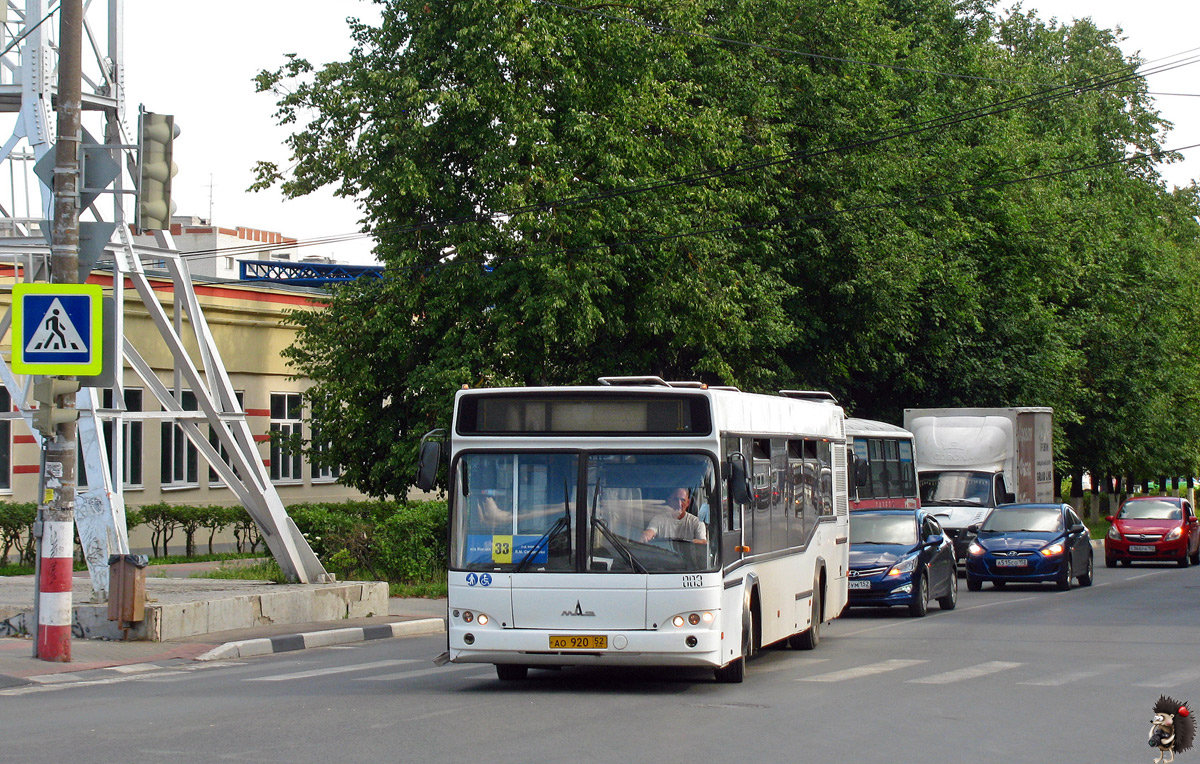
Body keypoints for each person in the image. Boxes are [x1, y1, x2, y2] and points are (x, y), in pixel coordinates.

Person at [642, 488, 707, 545]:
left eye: (683, 500)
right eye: (676, 499)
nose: (679, 504)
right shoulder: (659, 519)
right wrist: (646, 535)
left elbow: (703, 542)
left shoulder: (697, 523)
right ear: (670, 501)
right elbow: (651, 531)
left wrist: (691, 543)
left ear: (688, 503)